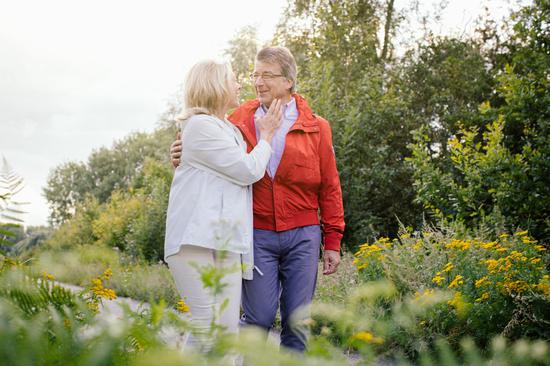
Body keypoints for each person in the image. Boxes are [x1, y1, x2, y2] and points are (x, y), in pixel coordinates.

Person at [170, 47, 345, 352]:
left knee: (297, 321)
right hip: (257, 233)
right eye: (254, 74)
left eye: (267, 75)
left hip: (303, 233)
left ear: (289, 80)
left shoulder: (317, 127)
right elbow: (207, 145)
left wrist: (332, 240)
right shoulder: (238, 118)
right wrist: (179, 154)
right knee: (258, 317)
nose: (257, 82)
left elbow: (330, 186)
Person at [164, 60, 282, 351]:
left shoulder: (226, 129)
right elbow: (247, 170)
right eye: (233, 79)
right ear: (215, 86)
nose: (239, 84)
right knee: (206, 325)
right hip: (195, 239)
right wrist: (266, 136)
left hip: (224, 240)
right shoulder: (200, 126)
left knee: (226, 332)